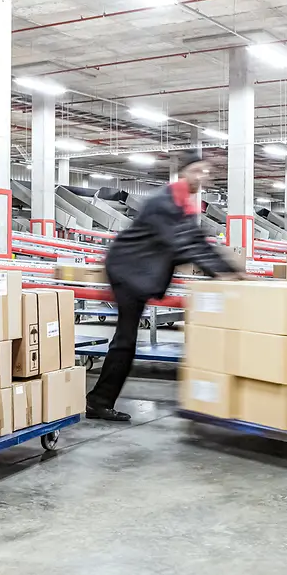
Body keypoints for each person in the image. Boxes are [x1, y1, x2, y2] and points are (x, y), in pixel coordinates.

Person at [86, 153, 241, 422]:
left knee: (126, 338)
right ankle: (98, 402)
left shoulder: (181, 202)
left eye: (206, 172)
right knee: (125, 340)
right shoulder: (165, 201)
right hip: (127, 271)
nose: (202, 177)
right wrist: (223, 273)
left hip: (135, 270)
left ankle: (99, 400)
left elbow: (195, 241)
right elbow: (185, 243)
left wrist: (231, 271)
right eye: (197, 171)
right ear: (183, 173)